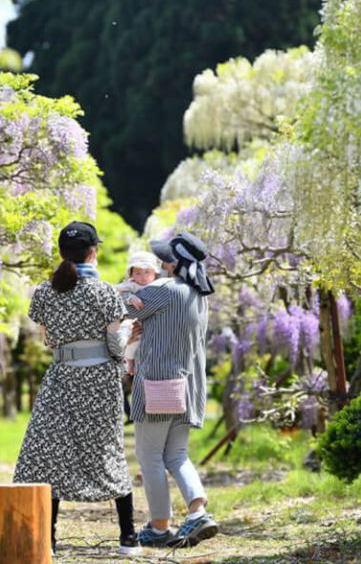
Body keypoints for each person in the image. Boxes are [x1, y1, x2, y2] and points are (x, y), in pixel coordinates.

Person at [13, 221, 141, 556]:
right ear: (93, 252)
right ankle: (128, 537)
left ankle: (47, 540)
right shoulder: (104, 293)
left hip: (62, 379)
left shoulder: (44, 292)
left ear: (60, 253)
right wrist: (129, 329)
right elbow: (115, 345)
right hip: (100, 382)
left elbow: (48, 341)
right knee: (107, 450)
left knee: (49, 454)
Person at [127, 232, 218, 549]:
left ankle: (159, 526)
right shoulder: (199, 293)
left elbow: (122, 309)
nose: (162, 262)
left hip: (160, 386)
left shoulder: (164, 290)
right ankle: (197, 511)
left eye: (166, 258)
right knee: (177, 454)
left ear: (175, 263)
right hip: (189, 387)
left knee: (149, 456)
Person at [113, 250, 163, 375]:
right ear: (131, 274)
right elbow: (118, 291)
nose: (143, 276)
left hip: (151, 323)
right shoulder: (132, 285)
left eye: (147, 272)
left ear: (155, 273)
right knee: (132, 341)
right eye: (138, 273)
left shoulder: (159, 285)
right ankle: (129, 362)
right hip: (134, 321)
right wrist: (130, 298)